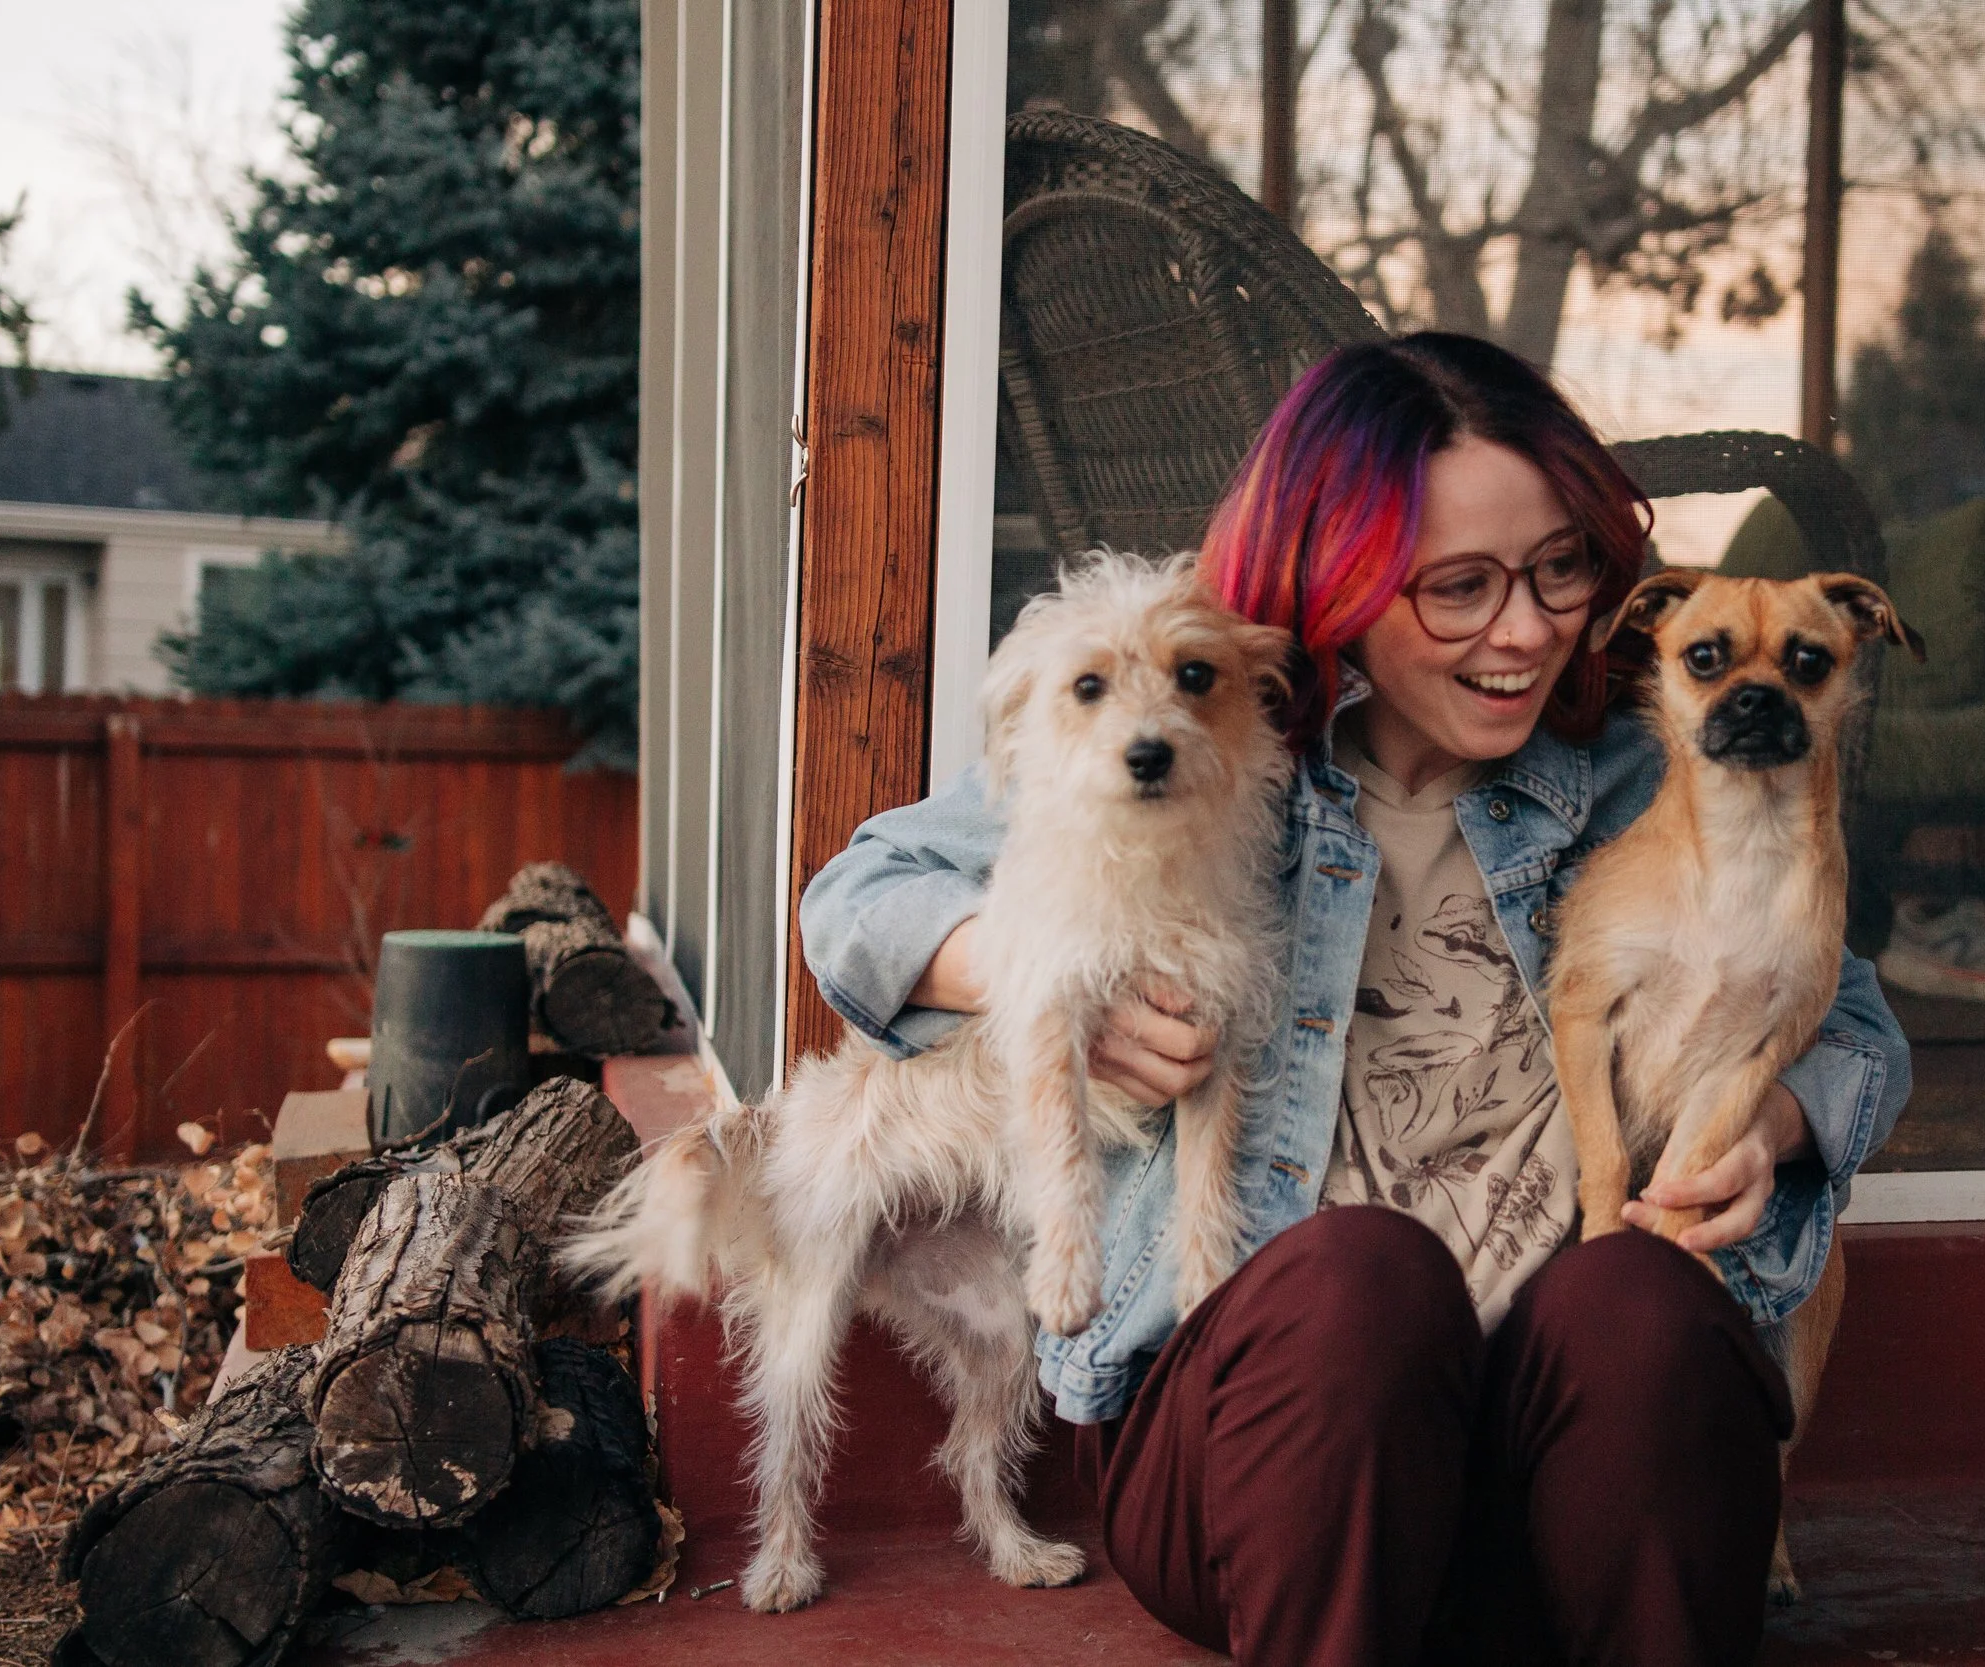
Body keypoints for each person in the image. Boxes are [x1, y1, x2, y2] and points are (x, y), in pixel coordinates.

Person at [799, 332, 1911, 1666]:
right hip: (1264, 1475)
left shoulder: (1642, 774)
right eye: (1459, 588)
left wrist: (1775, 1125)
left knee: (1647, 1299)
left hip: (1556, 1468)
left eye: (1561, 570)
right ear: (1342, 580)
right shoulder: (1207, 748)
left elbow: (1856, 1027)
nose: (1526, 628)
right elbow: (856, 900)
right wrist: (1034, 977)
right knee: (1362, 1275)